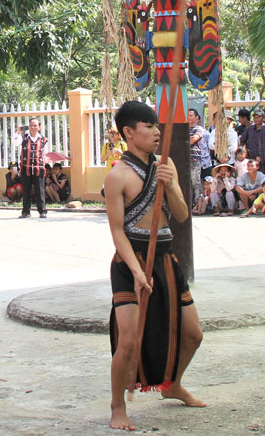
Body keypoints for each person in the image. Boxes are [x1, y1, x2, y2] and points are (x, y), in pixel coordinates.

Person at [103, 101, 204, 431]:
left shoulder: (165, 164)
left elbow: (182, 214)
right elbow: (117, 232)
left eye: (156, 125)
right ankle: (118, 407)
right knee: (129, 342)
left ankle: (172, 384)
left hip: (164, 259)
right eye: (148, 126)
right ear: (130, 133)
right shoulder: (117, 176)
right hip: (129, 263)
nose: (157, 131)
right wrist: (135, 272)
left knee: (193, 334)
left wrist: (172, 183)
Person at [13, 119, 48, 218]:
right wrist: (18, 132)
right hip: (25, 168)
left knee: (39, 190)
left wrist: (44, 164)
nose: (33, 127)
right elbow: (15, 142)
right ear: (28, 127)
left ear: (39, 127)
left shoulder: (43, 140)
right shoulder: (23, 137)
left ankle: (42, 211)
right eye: (31, 125)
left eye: (35, 126)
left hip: (39, 168)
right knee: (26, 190)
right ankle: (26, 212)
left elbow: (46, 153)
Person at [187, 109, 211, 199]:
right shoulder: (183, 128)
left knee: (196, 183)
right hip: (184, 160)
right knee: (186, 183)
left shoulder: (199, 129)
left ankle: (198, 203)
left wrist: (183, 140)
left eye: (191, 115)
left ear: (196, 118)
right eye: (187, 115)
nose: (188, 117)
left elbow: (193, 140)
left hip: (194, 160)